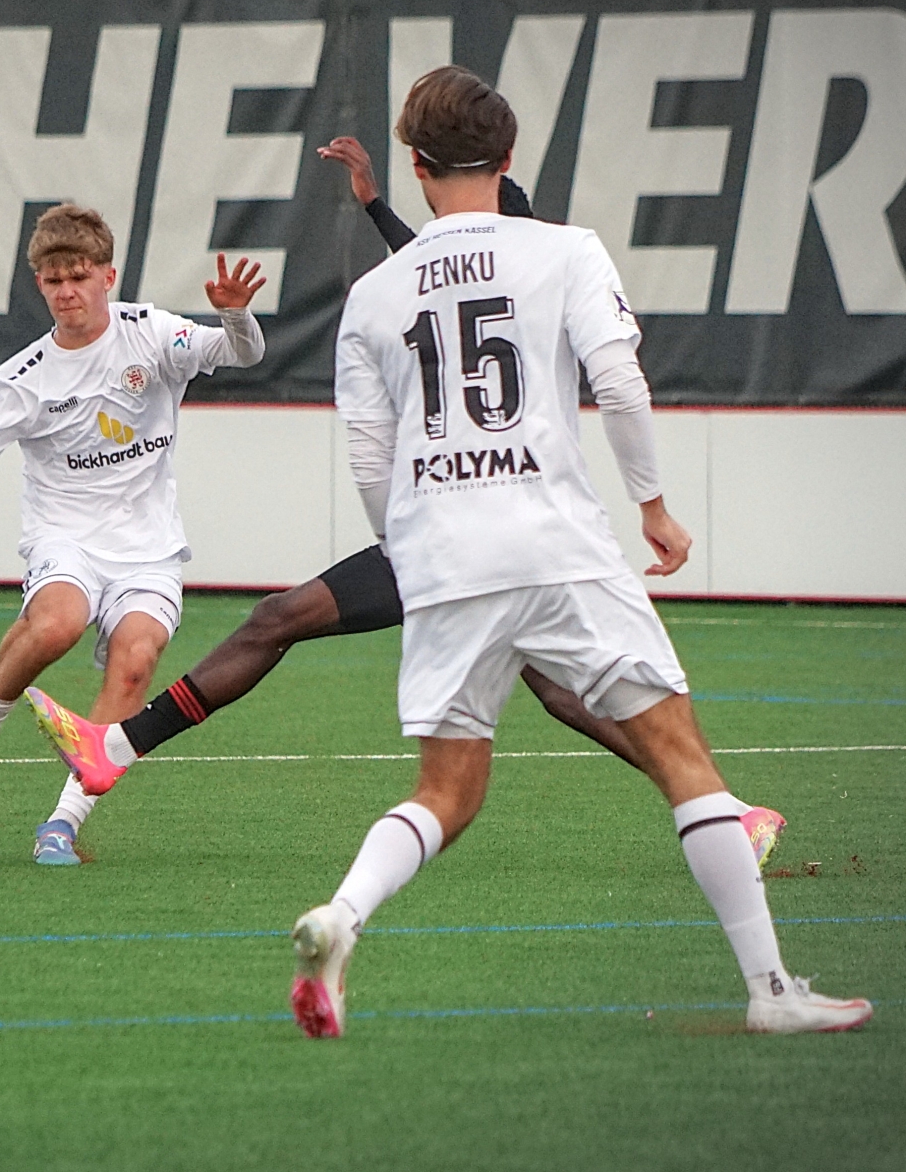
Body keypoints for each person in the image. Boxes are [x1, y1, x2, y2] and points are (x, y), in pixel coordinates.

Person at [279, 65, 866, 1035]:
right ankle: (770, 991)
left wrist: (411, 547)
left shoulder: (376, 294)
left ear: (418, 169)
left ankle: (342, 915)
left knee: (446, 790)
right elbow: (621, 386)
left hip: (444, 558)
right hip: (557, 544)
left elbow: (368, 453)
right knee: (680, 754)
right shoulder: (565, 251)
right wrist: (655, 507)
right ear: (508, 161)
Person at [23, 138, 785, 863]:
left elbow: (423, 281)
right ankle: (729, 812)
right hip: (508, 527)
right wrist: (377, 205)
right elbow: (442, 270)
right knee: (554, 688)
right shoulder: (534, 269)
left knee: (285, 623)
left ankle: (115, 749)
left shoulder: (466, 274)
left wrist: (380, 208)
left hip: (449, 528)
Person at [0, 204, 264, 865]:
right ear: (39, 283)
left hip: (149, 550)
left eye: (80, 275)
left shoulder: (150, 334)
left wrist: (235, 314)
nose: (67, 291)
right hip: (66, 540)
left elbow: (240, 351)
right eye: (53, 279)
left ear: (107, 275)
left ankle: (62, 823)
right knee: (59, 622)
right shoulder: (23, 377)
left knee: (137, 658)